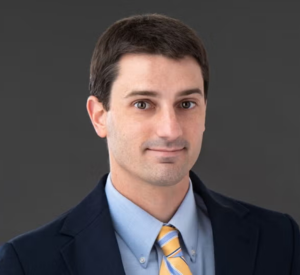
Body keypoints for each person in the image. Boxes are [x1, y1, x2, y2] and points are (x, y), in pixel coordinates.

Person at [0, 13, 299, 275]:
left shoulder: (281, 241)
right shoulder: (28, 263)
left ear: (205, 110)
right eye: (143, 104)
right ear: (99, 116)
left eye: (186, 103)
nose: (170, 129)